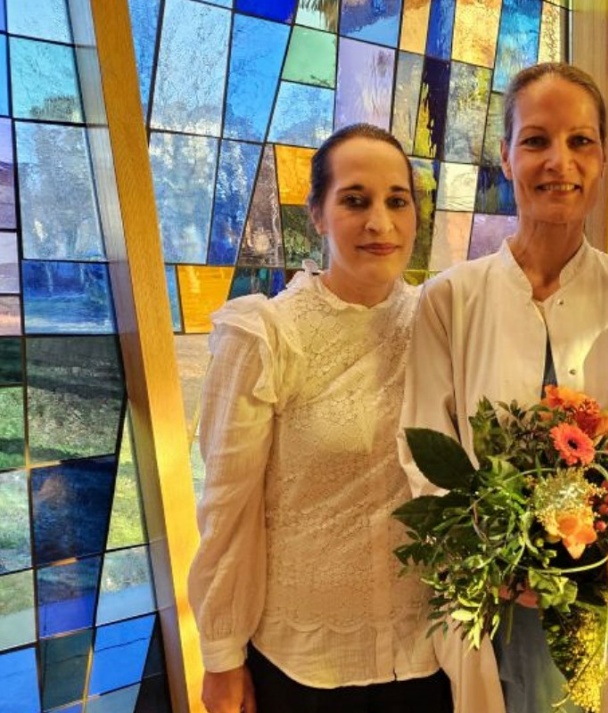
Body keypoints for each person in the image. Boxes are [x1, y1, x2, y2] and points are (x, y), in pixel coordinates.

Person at [401, 62, 608, 713]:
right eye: (535, 140)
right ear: (506, 156)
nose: (558, 161)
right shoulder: (450, 301)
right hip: (492, 606)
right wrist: (500, 555)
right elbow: (424, 461)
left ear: (604, 159)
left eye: (580, 141)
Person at [188, 123, 453, 713]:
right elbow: (228, 509)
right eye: (355, 200)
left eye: (396, 201)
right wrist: (222, 657)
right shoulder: (267, 335)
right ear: (317, 214)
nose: (379, 223)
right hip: (303, 666)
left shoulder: (442, 324)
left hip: (430, 653)